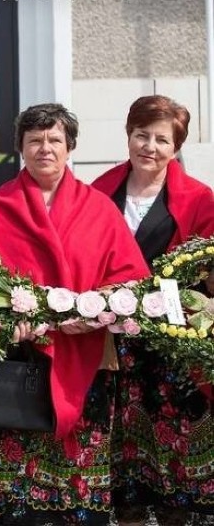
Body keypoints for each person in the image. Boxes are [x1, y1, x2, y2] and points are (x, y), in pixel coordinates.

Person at [0, 104, 151, 525]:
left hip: (82, 360)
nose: (45, 148)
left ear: (70, 147)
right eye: (34, 140)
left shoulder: (98, 208)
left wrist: (95, 313)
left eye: (55, 139)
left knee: (73, 482)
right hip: (10, 364)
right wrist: (5, 322)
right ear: (21, 147)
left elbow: (132, 281)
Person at [92, 95, 214, 526]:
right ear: (128, 136)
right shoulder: (98, 191)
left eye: (162, 139)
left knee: (177, 445)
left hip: (173, 350)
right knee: (122, 446)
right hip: (114, 345)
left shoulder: (201, 199)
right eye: (141, 135)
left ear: (176, 146)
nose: (150, 146)